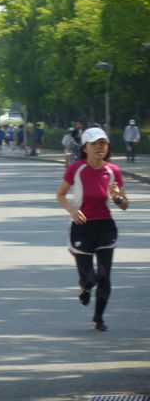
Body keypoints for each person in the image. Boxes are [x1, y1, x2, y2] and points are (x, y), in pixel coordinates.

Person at [56, 127, 128, 332]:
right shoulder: (76, 169)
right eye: (94, 144)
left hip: (105, 227)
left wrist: (117, 198)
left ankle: (98, 318)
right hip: (82, 226)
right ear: (85, 148)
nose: (99, 147)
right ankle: (85, 288)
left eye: (103, 143)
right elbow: (60, 194)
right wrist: (72, 210)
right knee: (90, 279)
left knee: (104, 275)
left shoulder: (113, 171)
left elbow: (125, 205)